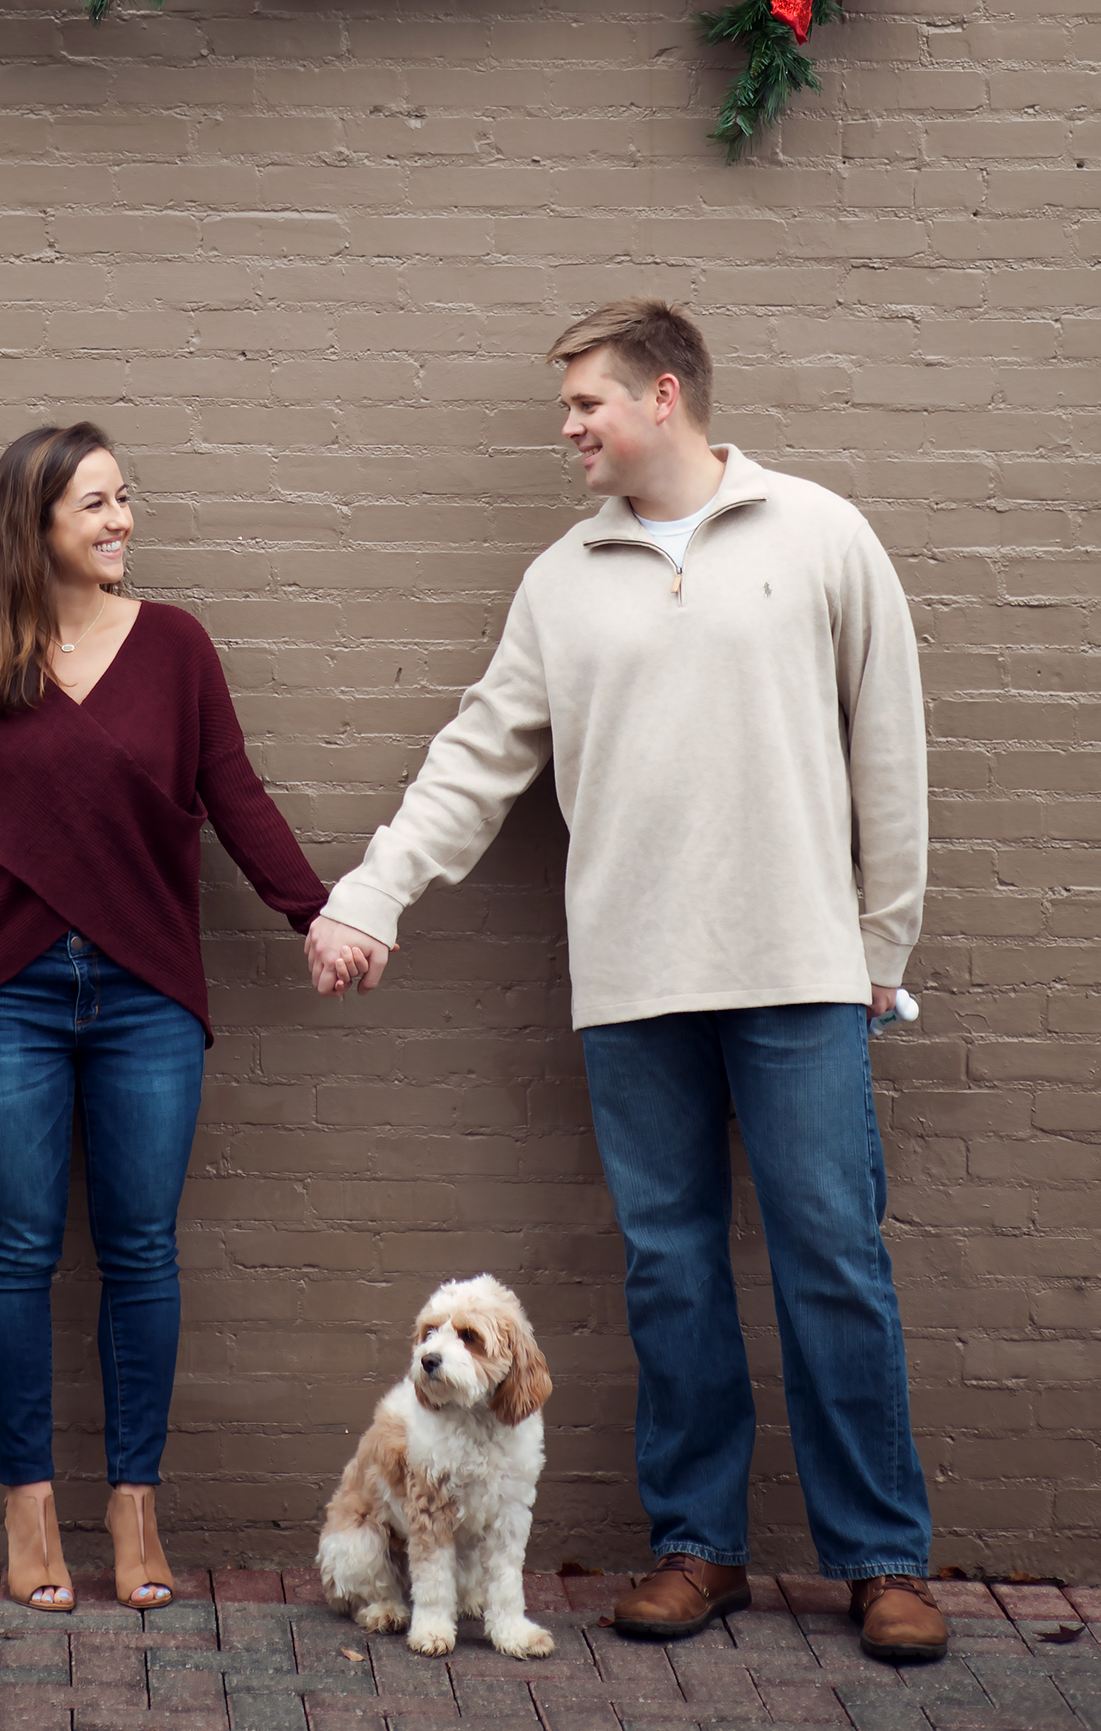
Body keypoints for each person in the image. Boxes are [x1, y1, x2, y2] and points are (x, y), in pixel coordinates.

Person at [304, 303, 948, 1669]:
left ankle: (882, 1560)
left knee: (836, 1261)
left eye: (589, 403)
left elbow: (889, 752)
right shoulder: (565, 579)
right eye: (565, 410)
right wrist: (371, 895)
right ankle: (697, 1547)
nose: (571, 429)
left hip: (801, 975)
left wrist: (877, 955)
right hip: (635, 986)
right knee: (671, 1275)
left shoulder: (821, 537)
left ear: (668, 394)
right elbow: (478, 758)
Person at [0, 421, 330, 1615]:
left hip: (143, 992)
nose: (120, 519)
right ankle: (27, 1511)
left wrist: (314, 915)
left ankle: (135, 1507)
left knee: (140, 1251)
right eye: (93, 504)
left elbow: (232, 791)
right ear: (33, 527)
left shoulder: (175, 647)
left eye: (122, 498)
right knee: (15, 1249)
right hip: (6, 998)